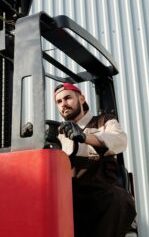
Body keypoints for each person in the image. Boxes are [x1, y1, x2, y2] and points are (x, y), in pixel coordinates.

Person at [54, 83, 136, 237]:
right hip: (71, 199)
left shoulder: (104, 122)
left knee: (120, 199)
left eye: (67, 98)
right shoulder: (59, 133)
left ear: (82, 98)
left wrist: (84, 137)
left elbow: (119, 139)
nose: (63, 104)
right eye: (59, 102)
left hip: (100, 197)